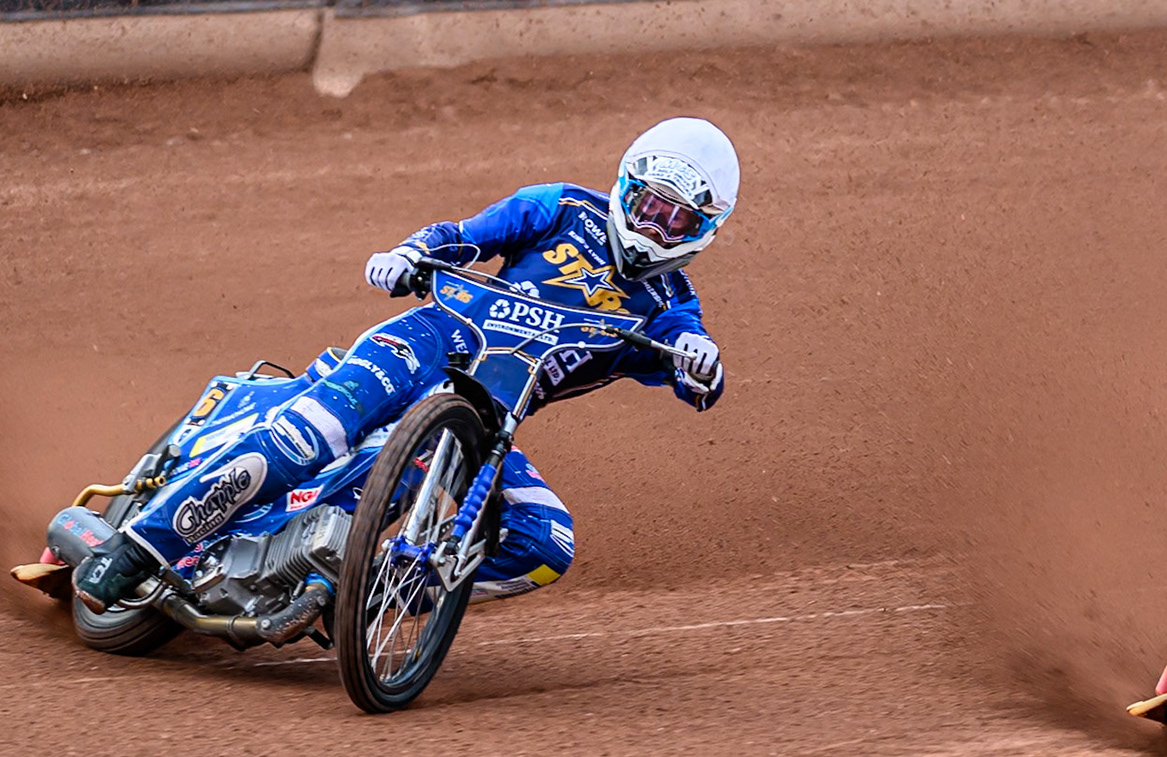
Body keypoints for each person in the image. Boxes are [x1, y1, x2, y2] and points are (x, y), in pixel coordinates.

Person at [73, 117, 741, 612]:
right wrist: (408, 255)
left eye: (674, 220)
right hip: (423, 343)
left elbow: (697, 375)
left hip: (484, 423)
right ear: (626, 185)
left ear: (703, 232)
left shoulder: (669, 305)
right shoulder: (561, 206)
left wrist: (701, 362)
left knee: (547, 542)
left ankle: (372, 596)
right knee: (310, 436)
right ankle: (137, 548)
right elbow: (463, 236)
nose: (654, 227)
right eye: (649, 204)